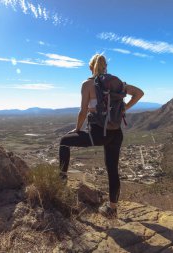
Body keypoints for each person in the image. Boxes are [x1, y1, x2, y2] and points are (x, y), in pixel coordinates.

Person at [59, 53, 144, 219]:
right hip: (116, 133)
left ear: (91, 67)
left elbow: (83, 111)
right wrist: (124, 108)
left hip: (98, 133)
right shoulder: (116, 83)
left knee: (64, 142)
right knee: (112, 170)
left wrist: (77, 129)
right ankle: (112, 209)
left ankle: (60, 184)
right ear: (106, 67)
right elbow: (139, 93)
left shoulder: (87, 84)